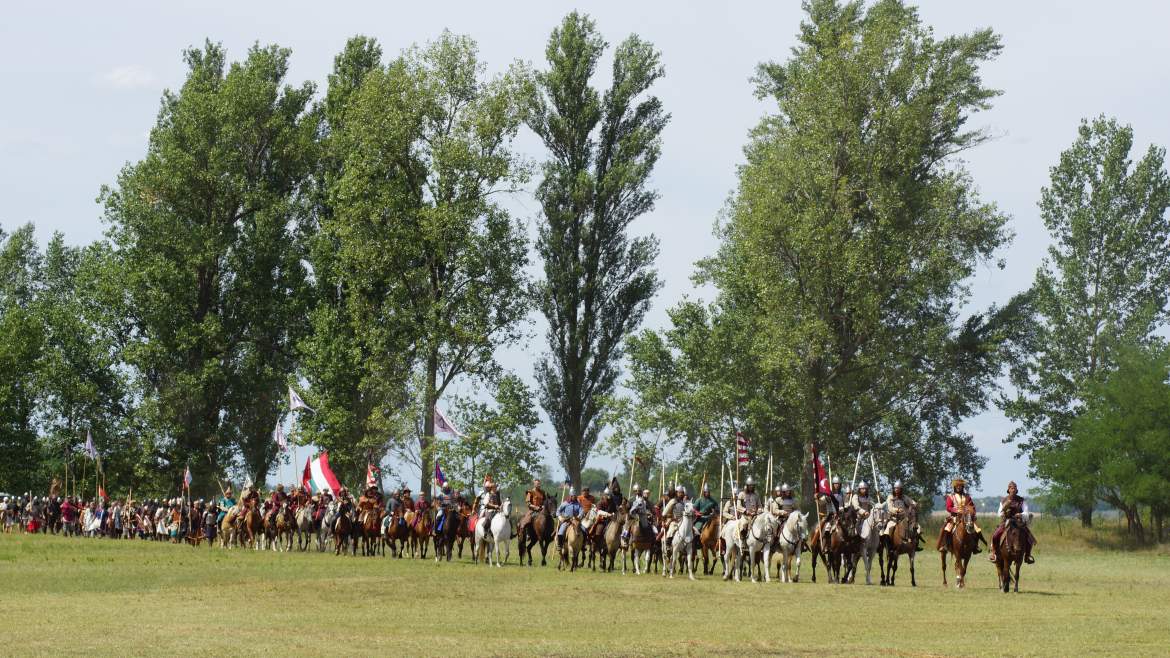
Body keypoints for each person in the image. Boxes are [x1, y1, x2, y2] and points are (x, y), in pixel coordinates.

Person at [989, 481, 1036, 564]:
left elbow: (1026, 512)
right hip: (1007, 522)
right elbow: (999, 513)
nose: (1013, 490)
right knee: (995, 535)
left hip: (1018, 523)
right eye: (1011, 488)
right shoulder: (1004, 500)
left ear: (1016, 490)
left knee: (1030, 538)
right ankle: (994, 553)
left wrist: (1020, 514)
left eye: (1014, 488)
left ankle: (1027, 556)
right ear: (1008, 490)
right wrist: (1004, 513)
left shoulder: (1021, 500)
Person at [938, 478, 983, 554]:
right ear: (955, 487)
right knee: (947, 529)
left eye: (960, 486)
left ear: (962, 487)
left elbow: (972, 506)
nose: (959, 487)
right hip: (955, 517)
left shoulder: (967, 497)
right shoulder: (951, 497)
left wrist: (973, 513)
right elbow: (948, 507)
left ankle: (975, 546)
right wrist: (956, 510)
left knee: (977, 529)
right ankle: (945, 545)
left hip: (966, 517)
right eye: (957, 486)